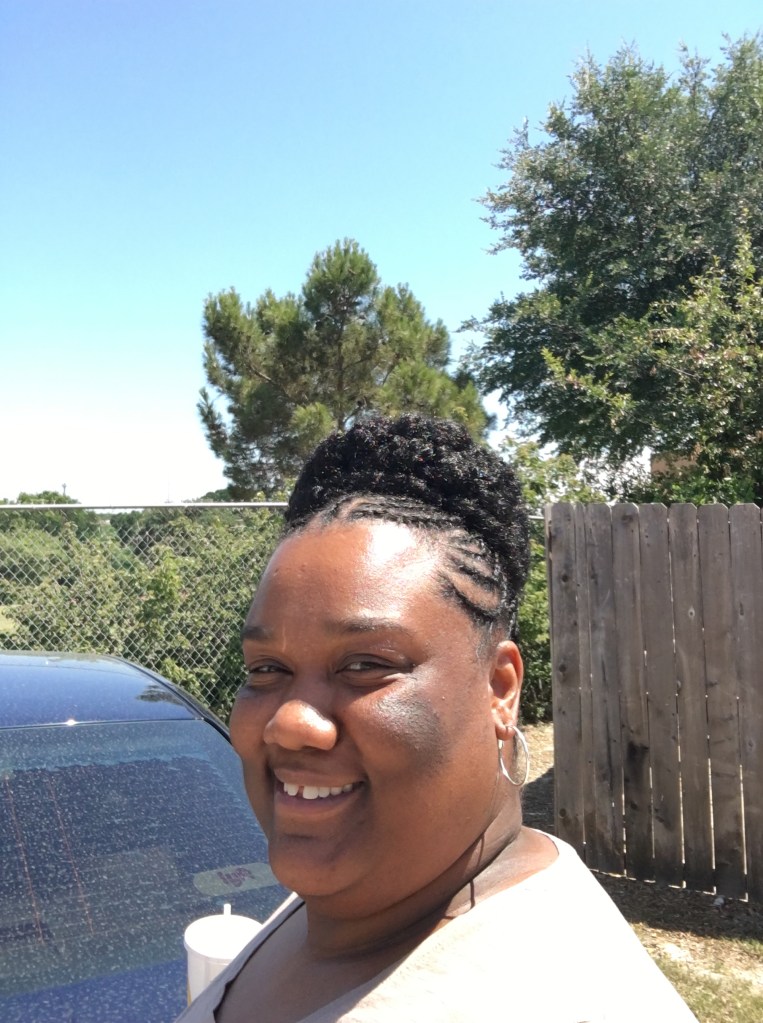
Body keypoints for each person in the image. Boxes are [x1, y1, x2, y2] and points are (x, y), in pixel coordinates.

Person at [176, 414, 697, 1023]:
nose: (289, 724)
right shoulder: (368, 894)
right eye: (267, 669)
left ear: (500, 688)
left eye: (365, 664)